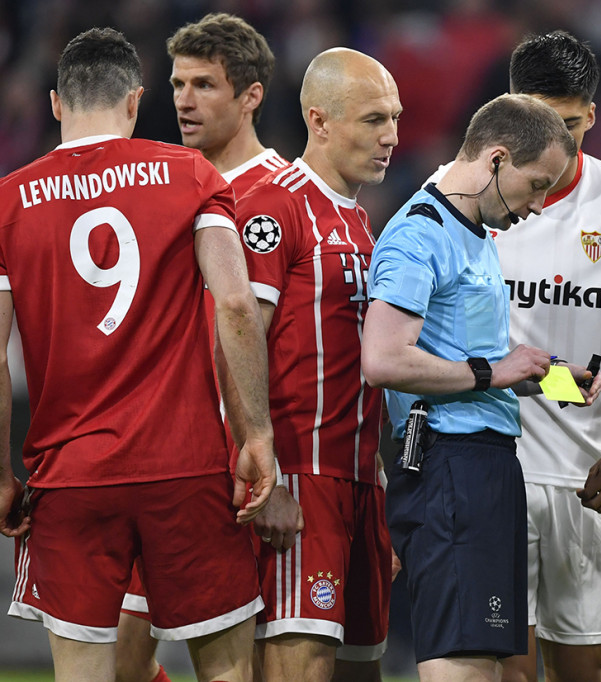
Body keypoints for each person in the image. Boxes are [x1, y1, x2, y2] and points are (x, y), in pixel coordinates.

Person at [0, 27, 276, 682]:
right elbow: (236, 307)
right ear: (135, 100)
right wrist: (256, 434)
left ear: (57, 105)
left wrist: (0, 474)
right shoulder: (190, 175)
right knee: (228, 673)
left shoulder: (9, 200)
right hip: (184, 468)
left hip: (70, 476)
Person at [362, 93, 589, 682]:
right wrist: (495, 372)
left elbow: (475, 359)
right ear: (495, 158)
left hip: (485, 468)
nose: (537, 206)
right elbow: (383, 359)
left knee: (496, 670)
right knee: (460, 667)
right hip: (449, 468)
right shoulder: (419, 234)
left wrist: (551, 378)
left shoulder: (477, 236)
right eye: (535, 184)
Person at [116, 14, 292, 682]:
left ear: (250, 96)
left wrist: (264, 451)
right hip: (159, 453)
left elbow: (260, 333)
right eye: (178, 83)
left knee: (227, 662)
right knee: (117, 666)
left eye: (205, 85)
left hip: (228, 466)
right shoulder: (171, 183)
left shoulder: (273, 197)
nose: (184, 100)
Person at [497, 31, 601, 682]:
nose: (555, 143)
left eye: (570, 125)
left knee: (584, 670)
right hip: (495, 466)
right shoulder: (464, 196)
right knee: (506, 669)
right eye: (539, 122)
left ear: (593, 115)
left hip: (584, 474)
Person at [233, 47, 401, 682]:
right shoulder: (274, 207)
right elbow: (235, 338)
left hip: (357, 483)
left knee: (362, 669)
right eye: (372, 120)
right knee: (296, 667)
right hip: (299, 478)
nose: (390, 137)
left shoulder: (361, 222)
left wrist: (375, 483)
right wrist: (264, 473)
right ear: (320, 119)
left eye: (395, 119)